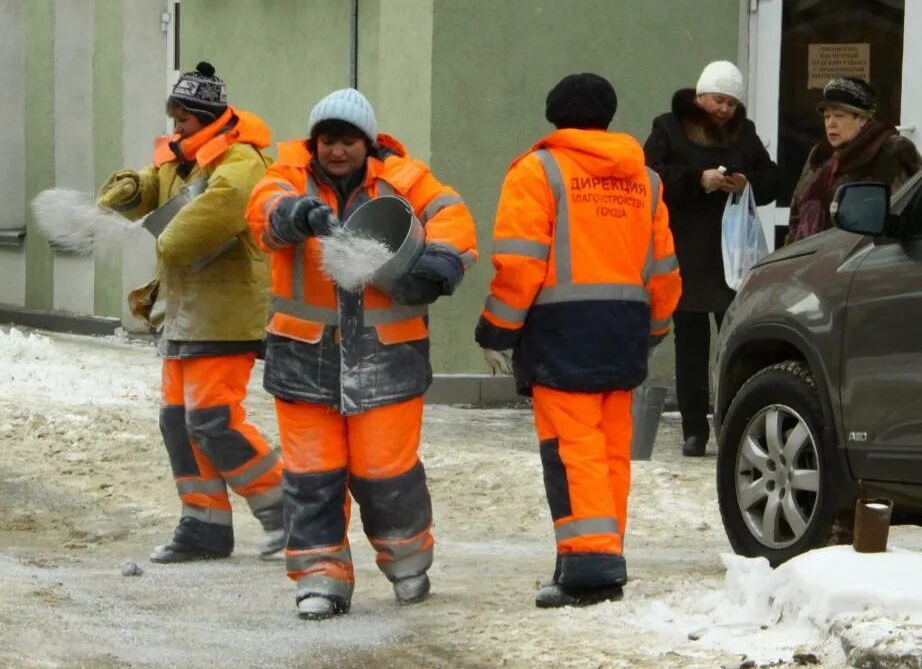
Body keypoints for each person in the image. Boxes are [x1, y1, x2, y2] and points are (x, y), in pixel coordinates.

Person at [246, 88, 477, 620]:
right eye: (327, 140)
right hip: (305, 358)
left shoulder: (408, 181)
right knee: (311, 477)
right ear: (314, 143)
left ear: (367, 144)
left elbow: (452, 218)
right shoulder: (287, 177)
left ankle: (408, 564)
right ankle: (319, 579)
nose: (337, 151)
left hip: (386, 359)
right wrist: (296, 214)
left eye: (348, 140)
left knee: (386, 473)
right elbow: (262, 215)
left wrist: (443, 260)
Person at [475, 73, 681, 608]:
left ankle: (588, 568)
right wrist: (654, 330)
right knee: (612, 452)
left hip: (562, 334)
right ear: (609, 116)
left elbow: (520, 262)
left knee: (573, 453)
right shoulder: (646, 180)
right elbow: (663, 272)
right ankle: (603, 556)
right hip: (625, 333)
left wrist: (497, 330)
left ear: (553, 114)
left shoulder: (538, 171)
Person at [96, 61, 285, 563]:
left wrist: (163, 237)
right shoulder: (179, 161)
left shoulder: (242, 161)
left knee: (212, 419)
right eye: (175, 116)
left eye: (185, 117)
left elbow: (210, 216)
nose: (176, 125)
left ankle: (286, 508)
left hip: (225, 314)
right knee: (178, 422)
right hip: (182, 313)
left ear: (210, 117)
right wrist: (132, 190)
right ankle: (203, 526)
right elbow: (157, 197)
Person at [643, 60, 779, 457]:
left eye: (732, 104)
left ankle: (737, 425)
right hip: (685, 250)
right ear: (700, 96)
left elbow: (772, 179)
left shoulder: (745, 133)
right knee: (691, 345)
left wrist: (746, 182)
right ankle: (693, 429)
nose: (725, 110)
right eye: (719, 100)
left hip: (731, 254)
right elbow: (651, 177)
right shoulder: (668, 127)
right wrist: (697, 181)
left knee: (738, 343)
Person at [785, 77, 922, 245]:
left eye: (839, 116)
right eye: (827, 117)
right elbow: (796, 213)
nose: (830, 124)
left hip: (864, 260)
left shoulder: (890, 151)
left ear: (862, 119)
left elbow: (908, 214)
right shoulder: (821, 155)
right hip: (810, 257)